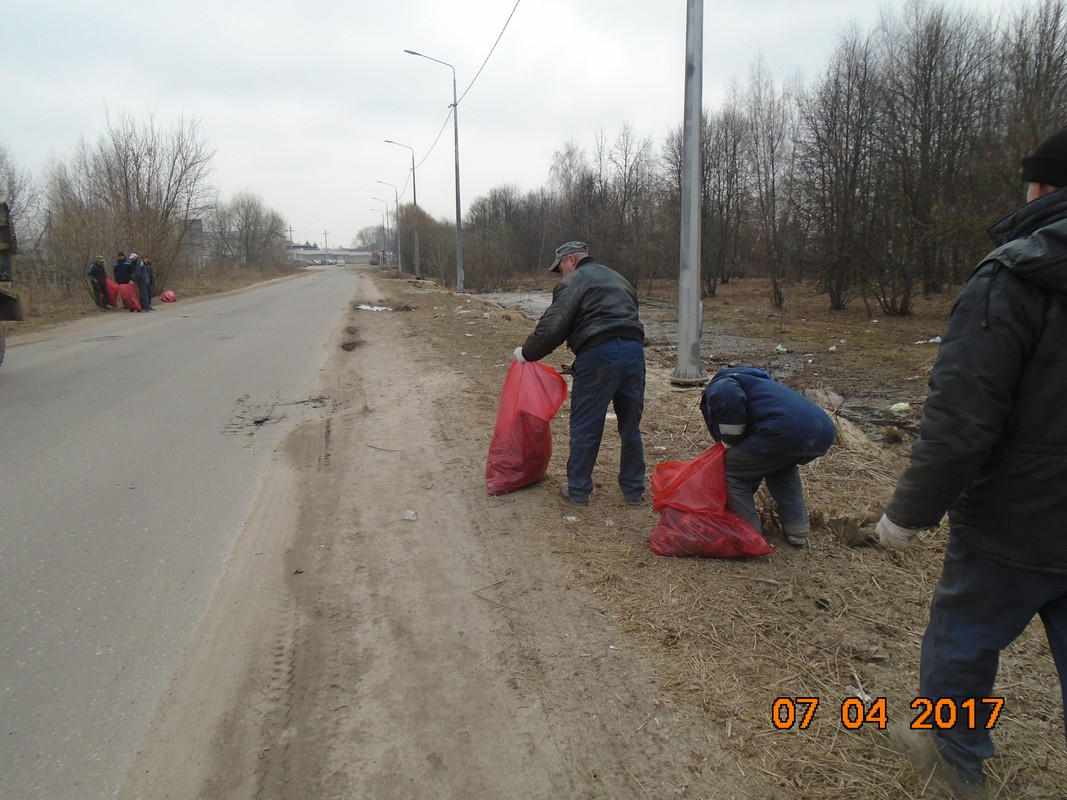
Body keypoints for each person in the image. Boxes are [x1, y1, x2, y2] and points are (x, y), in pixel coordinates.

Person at [876, 127, 1067, 798]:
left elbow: (962, 419)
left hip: (1016, 520)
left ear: (1041, 185)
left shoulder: (1015, 273)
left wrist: (907, 512)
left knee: (961, 641)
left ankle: (952, 764)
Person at [512, 241, 646, 505]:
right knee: (631, 425)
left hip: (598, 356)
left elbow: (553, 325)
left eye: (560, 266)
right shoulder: (619, 279)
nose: (561, 273)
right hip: (634, 354)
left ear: (570, 260)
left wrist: (527, 353)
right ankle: (634, 490)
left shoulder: (574, 282)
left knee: (586, 425)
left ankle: (579, 489)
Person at [699, 367, 834, 547]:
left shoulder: (721, 383)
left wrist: (730, 440)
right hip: (823, 431)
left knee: (729, 468)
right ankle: (797, 530)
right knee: (781, 469)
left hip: (783, 431)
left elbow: (727, 395)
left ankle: (748, 533)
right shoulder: (761, 386)